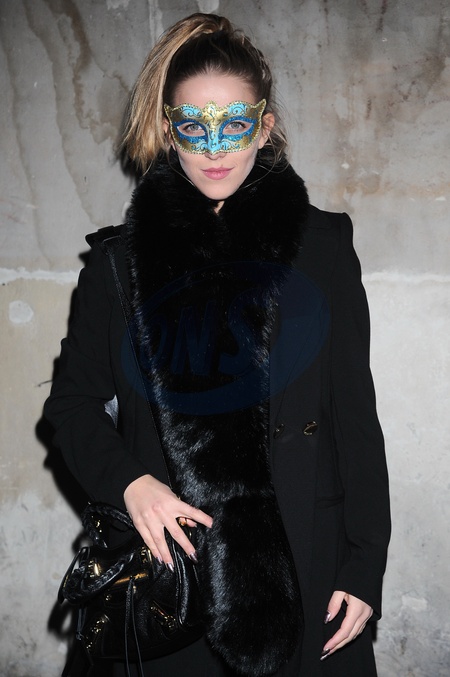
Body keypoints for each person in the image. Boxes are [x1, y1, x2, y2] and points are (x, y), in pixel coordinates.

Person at [44, 12, 391, 677]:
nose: (214, 147)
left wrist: (364, 563)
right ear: (167, 129)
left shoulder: (322, 249)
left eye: (234, 123)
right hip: (172, 571)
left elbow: (355, 417)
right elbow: (71, 406)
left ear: (265, 125)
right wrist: (130, 483)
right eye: (192, 126)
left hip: (307, 564)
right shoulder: (118, 267)